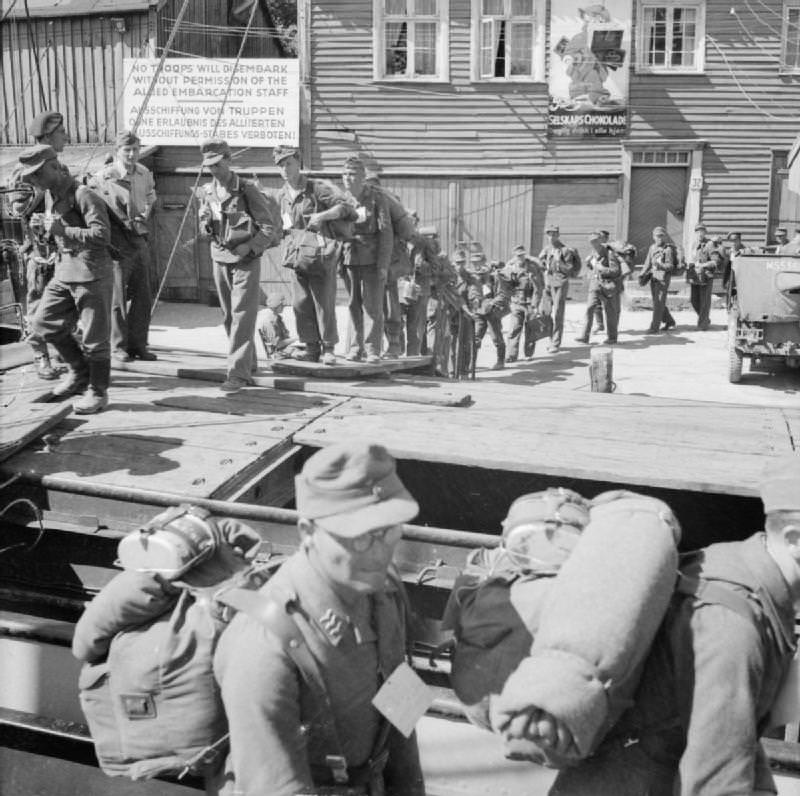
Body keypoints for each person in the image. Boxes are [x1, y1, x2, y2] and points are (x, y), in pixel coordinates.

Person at [512, 454, 800, 796]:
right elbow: (716, 782)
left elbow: (738, 738)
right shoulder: (732, 626)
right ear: (795, 538)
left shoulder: (734, 565)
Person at [210, 441, 426, 796]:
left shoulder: (385, 592)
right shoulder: (265, 643)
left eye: (389, 530)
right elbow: (277, 788)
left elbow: (401, 713)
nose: (378, 550)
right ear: (308, 532)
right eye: (357, 537)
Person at [21, 145, 114, 414]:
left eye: (37, 175)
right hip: (64, 271)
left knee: (96, 338)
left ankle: (98, 393)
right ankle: (79, 372)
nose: (34, 181)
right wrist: (47, 230)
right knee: (43, 323)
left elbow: (102, 236)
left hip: (92, 273)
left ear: (54, 167)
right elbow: (58, 231)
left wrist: (64, 230)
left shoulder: (84, 195)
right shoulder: (51, 195)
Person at [197, 139, 277, 393]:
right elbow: (205, 230)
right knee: (230, 317)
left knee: (243, 316)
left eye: (218, 164)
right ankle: (249, 363)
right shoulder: (207, 191)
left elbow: (268, 228)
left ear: (229, 160)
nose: (213, 170)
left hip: (245, 261)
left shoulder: (247, 189)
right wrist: (205, 223)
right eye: (209, 166)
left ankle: (237, 374)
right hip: (219, 258)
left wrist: (250, 248)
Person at [274, 146, 357, 365]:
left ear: (298, 163)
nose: (285, 169)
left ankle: (328, 347)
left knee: (324, 301)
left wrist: (322, 215)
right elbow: (282, 224)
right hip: (296, 255)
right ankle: (311, 347)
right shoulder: (281, 194)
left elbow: (347, 208)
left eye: (289, 163)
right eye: (281, 165)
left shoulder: (316, 188)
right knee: (300, 303)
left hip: (320, 253)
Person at [9, 110, 71, 379]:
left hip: (61, 250)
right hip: (36, 253)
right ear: (46, 137)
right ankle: (40, 356)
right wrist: (40, 186)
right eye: (61, 133)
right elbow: (16, 210)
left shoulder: (62, 167)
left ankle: (63, 353)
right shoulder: (23, 170)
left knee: (64, 306)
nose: (66, 137)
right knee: (36, 306)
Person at [89, 130, 157, 363]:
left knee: (144, 295)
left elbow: (150, 197)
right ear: (117, 151)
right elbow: (94, 209)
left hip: (139, 238)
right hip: (117, 242)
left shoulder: (144, 173)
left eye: (135, 149)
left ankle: (139, 345)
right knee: (117, 297)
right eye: (126, 150)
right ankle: (119, 346)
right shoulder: (104, 177)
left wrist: (146, 214)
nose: (131, 154)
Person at [340, 156, 393, 364]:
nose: (347, 178)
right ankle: (355, 348)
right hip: (348, 258)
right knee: (353, 305)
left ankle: (372, 350)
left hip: (372, 259)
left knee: (372, 306)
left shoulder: (376, 198)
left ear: (362, 177)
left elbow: (386, 233)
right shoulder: (341, 199)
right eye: (344, 174)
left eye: (352, 174)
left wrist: (383, 265)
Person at [575, 230, 622, 345]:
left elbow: (616, 270)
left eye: (596, 240)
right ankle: (584, 336)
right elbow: (592, 267)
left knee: (610, 311)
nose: (594, 243)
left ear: (600, 240)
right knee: (590, 308)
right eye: (592, 241)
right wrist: (589, 264)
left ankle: (612, 338)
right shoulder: (593, 252)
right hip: (595, 284)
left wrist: (602, 268)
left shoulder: (609, 253)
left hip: (607, 285)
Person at [464, 251, 508, 371]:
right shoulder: (471, 276)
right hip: (477, 311)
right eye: (473, 263)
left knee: (496, 337)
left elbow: (502, 294)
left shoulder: (494, 276)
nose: (476, 265)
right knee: (475, 338)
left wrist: (492, 303)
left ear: (484, 261)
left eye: (478, 262)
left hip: (492, 312)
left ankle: (500, 361)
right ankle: (471, 364)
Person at [539, 225, 580, 353]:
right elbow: (542, 265)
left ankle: (555, 342)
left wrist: (559, 261)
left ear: (558, 235)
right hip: (547, 283)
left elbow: (568, 269)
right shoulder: (546, 249)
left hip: (560, 283)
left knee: (558, 313)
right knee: (544, 312)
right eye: (549, 234)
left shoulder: (565, 250)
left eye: (554, 234)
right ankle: (552, 338)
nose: (551, 237)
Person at [400, 225, 438, 356]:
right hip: (400, 286)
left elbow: (435, 267)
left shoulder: (423, 242)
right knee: (393, 319)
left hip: (419, 289)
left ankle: (412, 356)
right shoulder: (397, 239)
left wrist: (422, 266)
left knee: (415, 325)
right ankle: (396, 350)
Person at [504, 245, 544, 363]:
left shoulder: (532, 267)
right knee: (514, 329)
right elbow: (505, 286)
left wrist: (535, 304)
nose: (520, 257)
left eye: (522, 255)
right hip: (516, 302)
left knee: (531, 329)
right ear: (514, 256)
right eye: (518, 256)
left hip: (530, 302)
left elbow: (538, 288)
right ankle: (511, 355)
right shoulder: (510, 268)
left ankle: (528, 353)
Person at [639, 226, 677, 334]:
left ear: (664, 237)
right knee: (657, 302)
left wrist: (660, 265)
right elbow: (647, 263)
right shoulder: (652, 248)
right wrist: (642, 274)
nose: (659, 238)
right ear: (653, 237)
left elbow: (670, 266)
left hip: (663, 279)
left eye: (661, 236)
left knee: (658, 303)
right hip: (654, 278)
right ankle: (670, 321)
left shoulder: (668, 249)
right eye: (657, 236)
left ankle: (654, 327)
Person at [686, 224, 717, 331]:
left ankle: (702, 325)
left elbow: (715, 262)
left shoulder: (710, 244)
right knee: (694, 300)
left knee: (704, 301)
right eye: (697, 232)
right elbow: (693, 258)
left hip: (706, 276)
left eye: (702, 231)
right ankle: (705, 318)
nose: (699, 234)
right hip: (695, 276)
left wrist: (703, 265)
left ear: (705, 232)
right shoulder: (694, 244)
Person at [257, 291, 297, 360]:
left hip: (285, 349)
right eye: (282, 304)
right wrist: (295, 339)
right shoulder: (270, 322)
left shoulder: (277, 318)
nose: (284, 306)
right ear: (276, 305)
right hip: (278, 354)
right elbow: (277, 344)